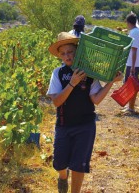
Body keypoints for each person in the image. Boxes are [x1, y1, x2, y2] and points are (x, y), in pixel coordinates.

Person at [46, 32, 123, 193]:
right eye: (63, 53)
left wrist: (110, 82)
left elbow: (96, 99)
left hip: (85, 126)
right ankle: (62, 176)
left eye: (70, 52)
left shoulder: (89, 73)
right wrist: (72, 83)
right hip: (63, 125)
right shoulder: (58, 74)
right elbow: (56, 102)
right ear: (60, 56)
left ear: (77, 51)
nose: (67, 56)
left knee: (78, 164)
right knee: (59, 163)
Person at [122, 12, 139, 114]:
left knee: (130, 85)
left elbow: (134, 50)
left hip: (133, 63)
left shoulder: (133, 33)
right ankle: (130, 106)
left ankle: (131, 108)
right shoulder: (138, 30)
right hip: (137, 62)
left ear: (128, 22)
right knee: (130, 84)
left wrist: (133, 67)